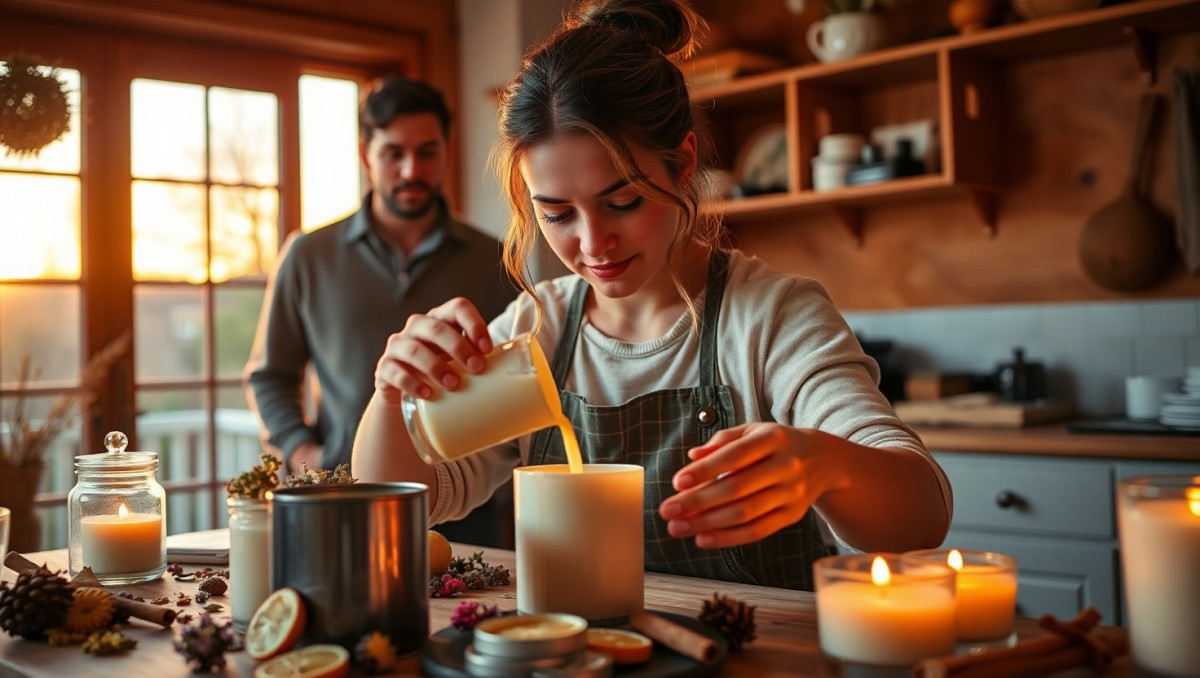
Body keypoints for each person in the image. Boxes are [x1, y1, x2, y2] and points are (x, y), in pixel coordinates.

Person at [352, 0, 951, 590]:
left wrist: (827, 465)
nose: (594, 244)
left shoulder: (770, 316)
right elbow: (414, 500)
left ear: (683, 163)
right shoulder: (539, 328)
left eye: (623, 202)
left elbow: (922, 515)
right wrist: (390, 396)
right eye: (557, 214)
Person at [245, 75, 519, 544]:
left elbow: (511, 387)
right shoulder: (307, 255)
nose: (411, 169)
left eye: (427, 151)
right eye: (394, 153)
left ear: (447, 150)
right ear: (365, 155)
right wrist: (300, 450)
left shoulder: (496, 259)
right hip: (339, 502)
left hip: (466, 520)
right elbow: (270, 376)